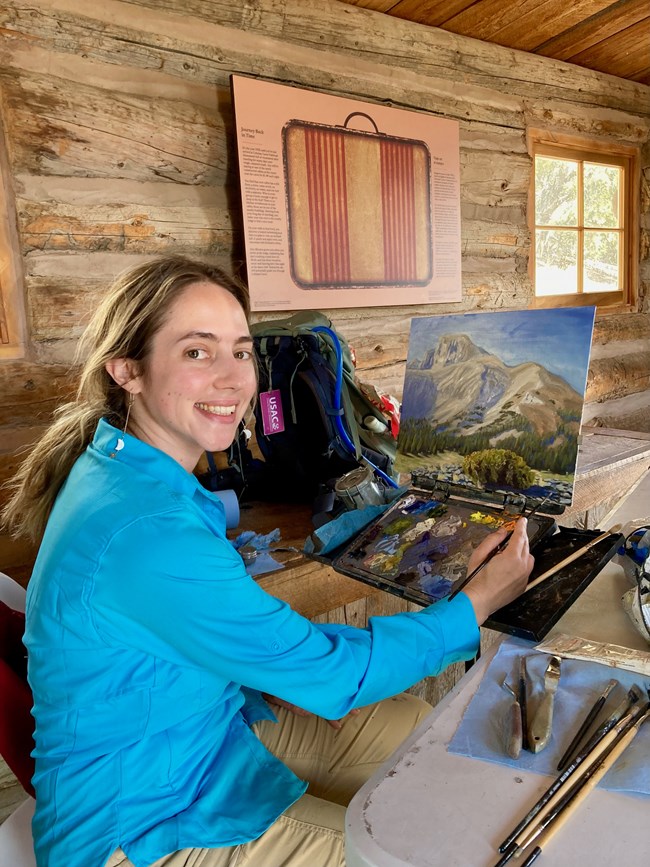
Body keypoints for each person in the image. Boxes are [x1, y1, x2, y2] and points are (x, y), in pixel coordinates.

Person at [2, 255, 534, 867]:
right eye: (197, 353)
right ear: (128, 370)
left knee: (430, 735)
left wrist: (276, 681)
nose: (233, 379)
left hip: (203, 738)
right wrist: (477, 603)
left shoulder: (128, 471)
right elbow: (332, 676)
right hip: (143, 823)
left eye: (241, 351)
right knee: (408, 850)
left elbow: (188, 640)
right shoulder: (148, 531)